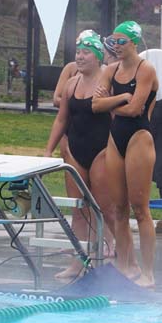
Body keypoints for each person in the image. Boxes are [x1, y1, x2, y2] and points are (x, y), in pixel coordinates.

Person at [90, 21, 159, 288]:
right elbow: (95, 105)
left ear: (135, 43)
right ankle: (124, 267)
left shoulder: (146, 70)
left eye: (122, 42)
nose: (116, 47)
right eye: (113, 42)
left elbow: (136, 111)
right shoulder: (110, 69)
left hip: (139, 138)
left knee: (140, 209)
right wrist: (121, 98)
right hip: (115, 138)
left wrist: (113, 102)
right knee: (119, 208)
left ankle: (148, 272)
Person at [45, 31, 114, 279]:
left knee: (102, 208)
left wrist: (115, 150)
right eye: (78, 52)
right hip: (75, 151)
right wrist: (48, 150)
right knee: (78, 210)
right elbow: (62, 119)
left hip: (102, 152)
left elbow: (117, 120)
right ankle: (78, 262)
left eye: (86, 52)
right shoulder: (72, 83)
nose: (80, 57)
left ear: (97, 57)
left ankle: (105, 257)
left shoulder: (108, 82)